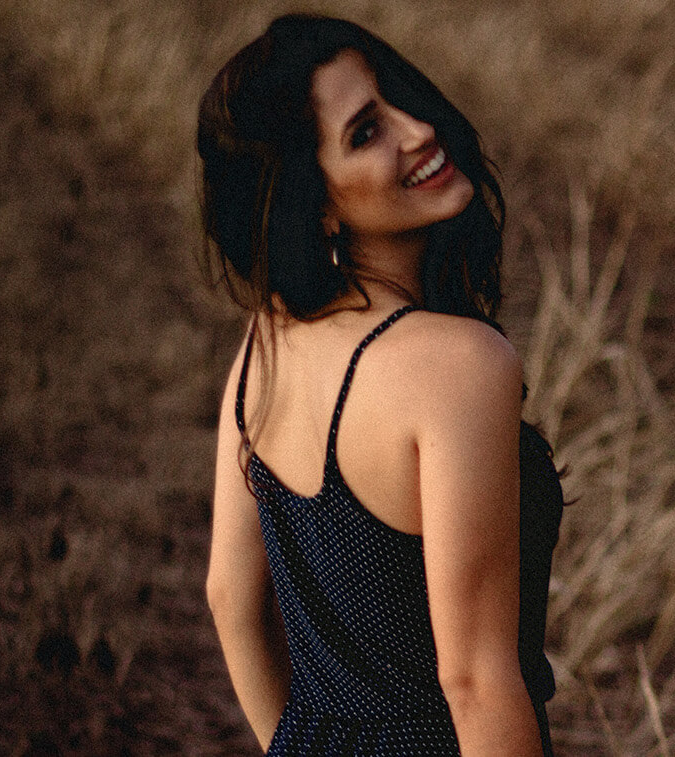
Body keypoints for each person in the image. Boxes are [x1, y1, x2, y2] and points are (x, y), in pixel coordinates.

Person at [198, 14, 563, 756]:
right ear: (317, 205)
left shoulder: (269, 343)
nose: (419, 131)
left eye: (397, 99)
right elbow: (475, 682)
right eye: (366, 133)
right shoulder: (457, 365)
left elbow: (230, 598)